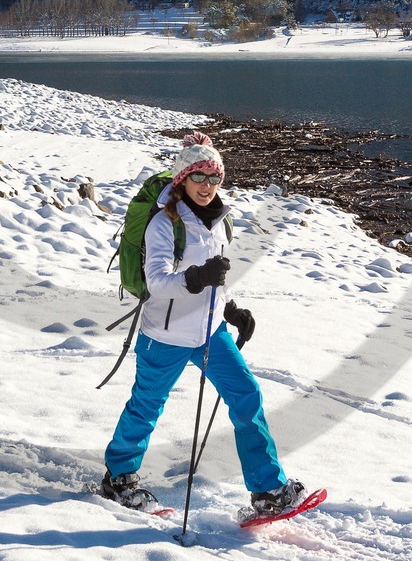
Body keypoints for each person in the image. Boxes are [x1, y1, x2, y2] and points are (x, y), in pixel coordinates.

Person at [100, 131, 305, 517]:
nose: (208, 186)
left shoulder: (220, 221)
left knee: (247, 397)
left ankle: (267, 490)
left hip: (211, 333)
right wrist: (196, 278)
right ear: (182, 179)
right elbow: (157, 282)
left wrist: (230, 312)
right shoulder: (164, 224)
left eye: (215, 178)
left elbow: (217, 277)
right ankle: (120, 477)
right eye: (199, 177)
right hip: (165, 335)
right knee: (146, 407)